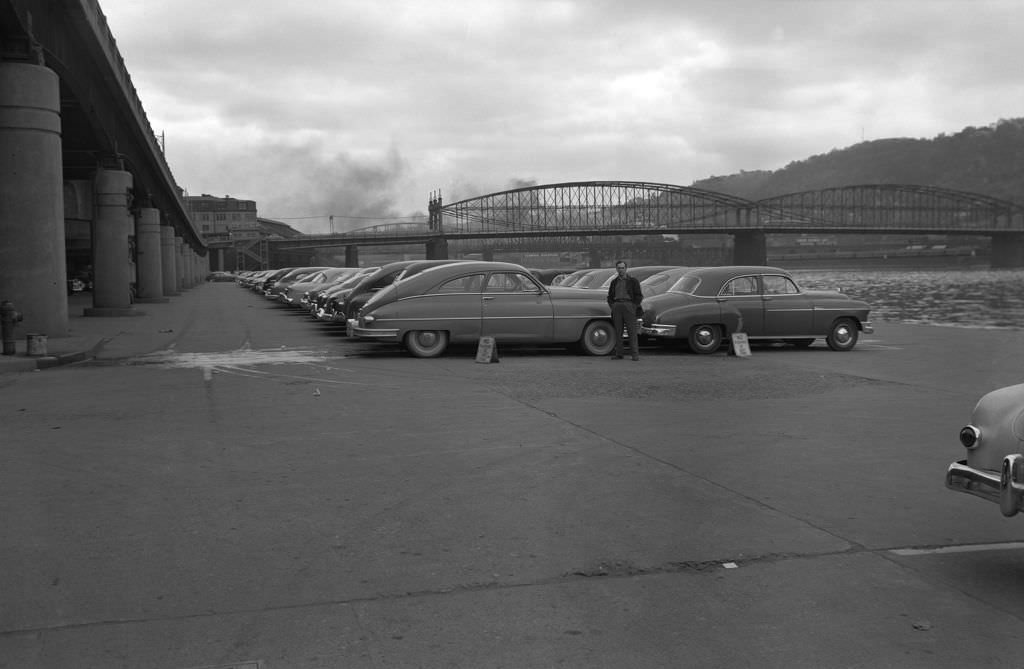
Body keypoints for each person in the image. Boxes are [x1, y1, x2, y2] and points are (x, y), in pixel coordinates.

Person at [606, 260, 643, 360]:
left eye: (623, 268)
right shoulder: (614, 282)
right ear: (616, 269)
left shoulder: (633, 281)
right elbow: (609, 296)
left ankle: (635, 354)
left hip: (629, 305)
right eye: (619, 268)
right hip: (617, 305)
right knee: (618, 331)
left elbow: (639, 296)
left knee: (632, 331)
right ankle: (619, 353)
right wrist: (612, 306)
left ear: (626, 269)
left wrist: (633, 306)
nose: (621, 270)